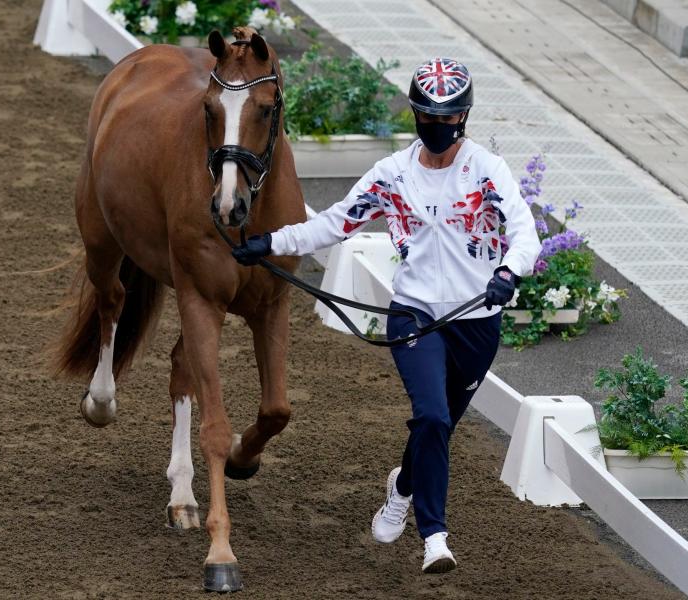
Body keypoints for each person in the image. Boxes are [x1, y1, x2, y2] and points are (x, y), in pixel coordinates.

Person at [231, 57, 542, 574]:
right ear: (416, 116)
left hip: (476, 322)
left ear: (462, 118)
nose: (436, 128)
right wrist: (269, 242)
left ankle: (401, 484)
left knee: (435, 430)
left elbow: (525, 231)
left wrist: (509, 271)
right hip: (414, 316)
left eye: (446, 120)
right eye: (427, 117)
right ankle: (434, 538)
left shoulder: (488, 170)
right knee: (433, 417)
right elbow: (334, 225)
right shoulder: (392, 175)